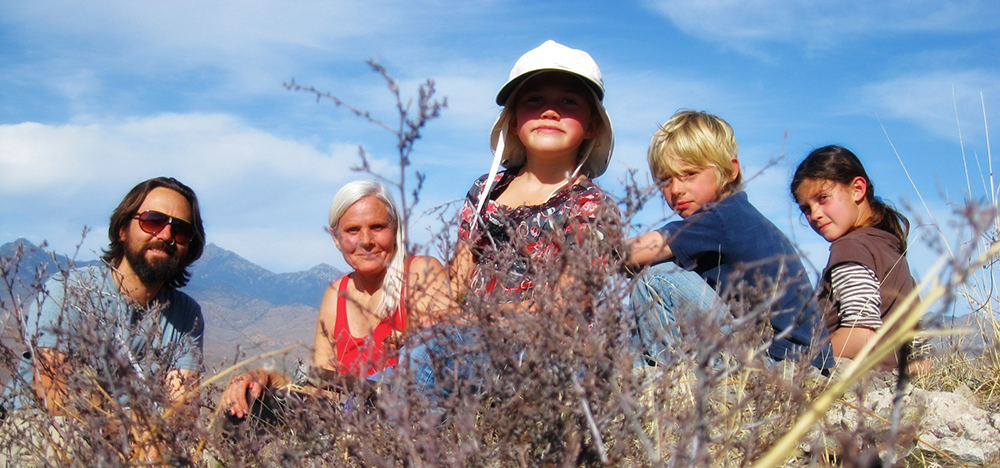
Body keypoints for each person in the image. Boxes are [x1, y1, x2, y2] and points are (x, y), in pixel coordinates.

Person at [1, 177, 206, 464]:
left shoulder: (186, 316)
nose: (166, 235)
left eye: (181, 229)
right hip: (40, 434)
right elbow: (56, 397)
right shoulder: (68, 291)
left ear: (189, 247)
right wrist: (130, 425)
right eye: (152, 220)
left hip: (138, 446)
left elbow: (181, 413)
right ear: (123, 230)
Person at [221, 180, 452, 418]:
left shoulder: (420, 273)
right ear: (336, 238)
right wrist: (267, 377)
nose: (366, 240)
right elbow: (323, 392)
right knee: (251, 403)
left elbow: (443, 352)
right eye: (352, 230)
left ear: (395, 230)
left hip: (405, 423)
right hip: (350, 424)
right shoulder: (335, 296)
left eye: (377, 227)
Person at [628, 110, 832, 370]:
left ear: (730, 171)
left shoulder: (722, 217)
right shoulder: (733, 216)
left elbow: (640, 251)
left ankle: (664, 383)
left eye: (689, 174)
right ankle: (637, 374)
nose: (676, 189)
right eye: (666, 180)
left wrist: (584, 252)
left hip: (786, 363)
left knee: (655, 278)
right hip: (793, 356)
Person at [452, 39, 622, 307]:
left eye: (569, 101)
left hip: (545, 341)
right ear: (515, 122)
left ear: (591, 126)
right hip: (468, 335)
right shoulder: (486, 189)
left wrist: (485, 324)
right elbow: (459, 276)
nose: (550, 111)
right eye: (535, 100)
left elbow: (569, 303)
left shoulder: (592, 206)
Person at [791, 145, 930, 374]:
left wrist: (803, 362)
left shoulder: (850, 247)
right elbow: (922, 354)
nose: (814, 214)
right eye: (806, 208)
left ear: (857, 189)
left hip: (856, 383)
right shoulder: (890, 249)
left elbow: (860, 333)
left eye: (823, 198)